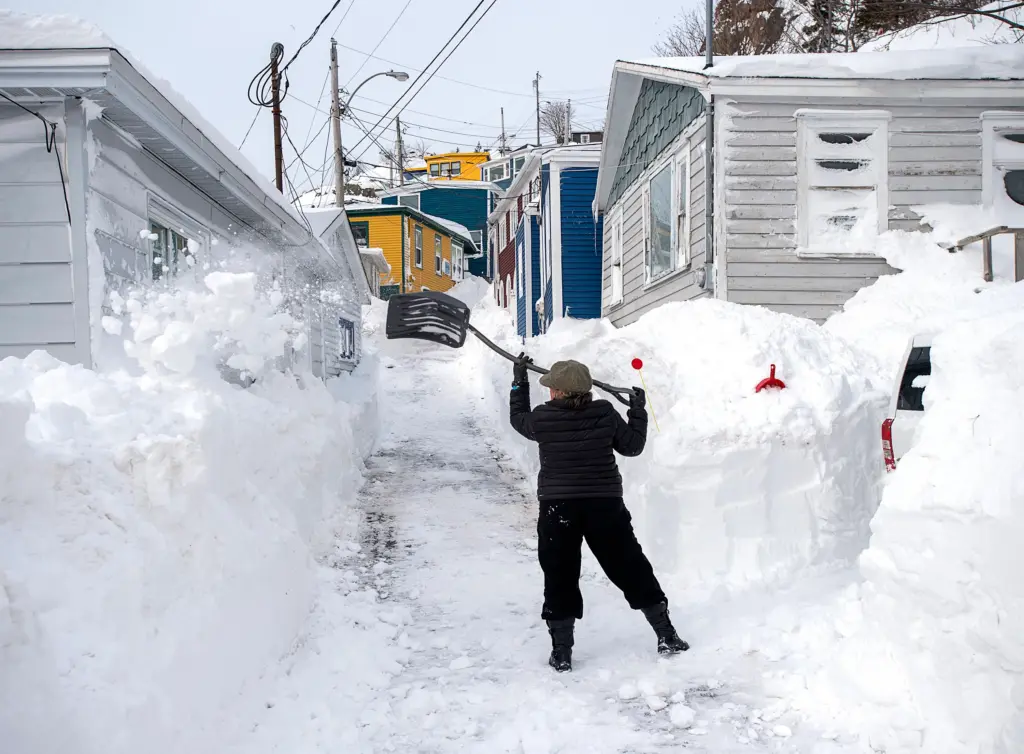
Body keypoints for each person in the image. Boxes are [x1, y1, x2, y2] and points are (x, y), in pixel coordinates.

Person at [509, 354, 689, 673]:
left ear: (561, 392)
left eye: (552, 387)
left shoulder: (543, 418)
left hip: (558, 507)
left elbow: (518, 419)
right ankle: (667, 635)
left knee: (560, 574)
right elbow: (632, 447)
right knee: (630, 567)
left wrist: (518, 382)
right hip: (604, 505)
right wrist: (637, 411)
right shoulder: (604, 412)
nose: (549, 392)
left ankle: (561, 652)